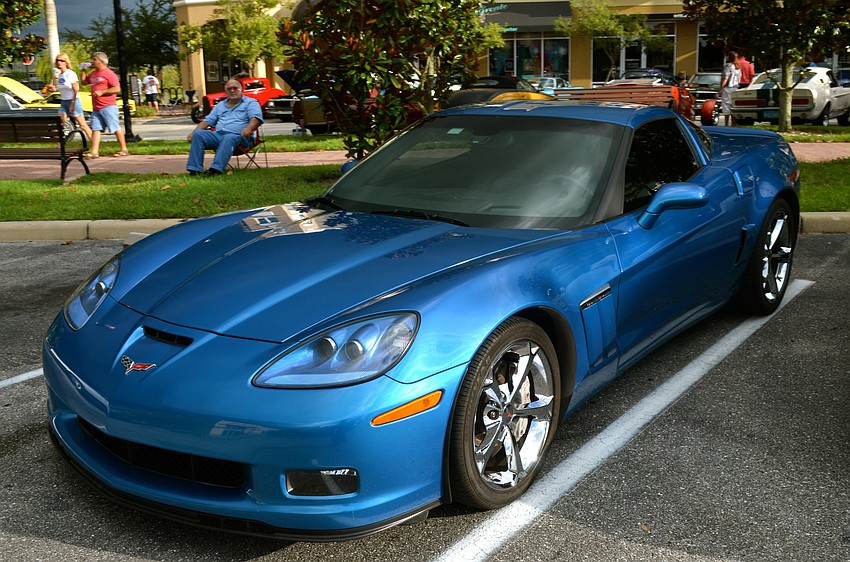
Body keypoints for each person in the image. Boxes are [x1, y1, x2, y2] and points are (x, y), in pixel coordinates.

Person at [186, 79, 263, 176]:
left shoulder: (250, 103)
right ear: (225, 91)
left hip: (242, 137)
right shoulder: (220, 105)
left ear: (241, 89)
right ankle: (195, 170)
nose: (232, 91)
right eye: (229, 89)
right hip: (219, 136)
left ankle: (215, 170)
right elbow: (207, 121)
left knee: (229, 137)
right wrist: (192, 133)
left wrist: (249, 129)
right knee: (198, 134)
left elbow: (256, 119)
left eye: (235, 88)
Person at [80, 52, 129, 158]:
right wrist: (83, 70)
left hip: (108, 106)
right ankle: (94, 152)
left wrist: (102, 92)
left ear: (100, 61)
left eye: (94, 59)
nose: (92, 61)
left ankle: (124, 149)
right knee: (95, 129)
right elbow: (84, 82)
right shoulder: (93, 73)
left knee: (115, 127)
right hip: (96, 107)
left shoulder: (109, 73)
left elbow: (117, 89)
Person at [49, 53, 93, 141]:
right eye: (58, 60)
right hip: (64, 101)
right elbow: (61, 89)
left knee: (82, 125)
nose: (59, 62)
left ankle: (95, 143)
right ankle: (61, 143)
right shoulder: (60, 75)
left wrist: (72, 103)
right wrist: (52, 89)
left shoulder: (70, 74)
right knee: (60, 122)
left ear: (66, 62)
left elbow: (76, 89)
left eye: (62, 61)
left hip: (73, 101)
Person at [719, 51, 741, 126]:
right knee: (733, 106)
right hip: (736, 88)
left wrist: (721, 89)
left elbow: (725, 78)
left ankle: (726, 124)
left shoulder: (728, 66)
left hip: (728, 88)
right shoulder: (738, 67)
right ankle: (734, 124)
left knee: (726, 106)